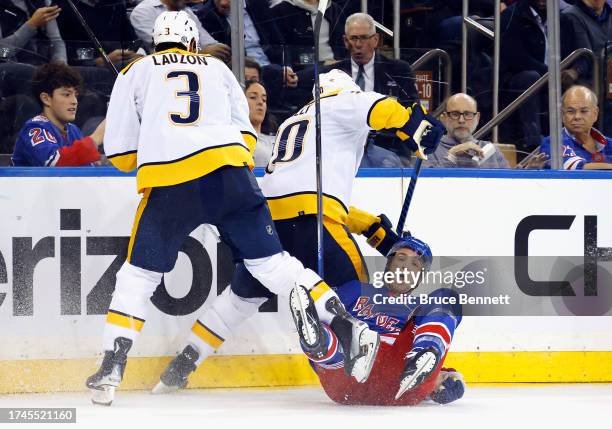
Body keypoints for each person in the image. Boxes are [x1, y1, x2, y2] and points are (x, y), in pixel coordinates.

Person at [86, 12, 380, 406]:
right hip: (232, 178)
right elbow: (245, 136)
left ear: (156, 41)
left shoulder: (135, 71)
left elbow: (120, 154)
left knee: (139, 275)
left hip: (172, 184)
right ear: (193, 43)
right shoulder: (217, 67)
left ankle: (112, 365)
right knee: (272, 265)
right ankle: (345, 324)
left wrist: (157, 139)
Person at [151, 69, 444, 393]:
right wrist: (416, 124)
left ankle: (181, 367)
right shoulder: (341, 103)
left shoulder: (294, 121)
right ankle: (367, 366)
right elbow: (382, 110)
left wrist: (374, 229)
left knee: (236, 302)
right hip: (314, 224)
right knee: (360, 296)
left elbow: (303, 192)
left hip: (268, 225)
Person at [294, 235, 465, 406]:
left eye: (414, 264)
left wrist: (440, 379)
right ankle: (322, 343)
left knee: (446, 298)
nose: (405, 268)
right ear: (389, 264)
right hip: (346, 372)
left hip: (400, 380)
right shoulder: (356, 289)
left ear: (419, 277)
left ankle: (423, 361)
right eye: (401, 259)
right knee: (327, 312)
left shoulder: (421, 308)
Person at [11, 62, 105, 166]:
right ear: (46, 98)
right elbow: (56, 164)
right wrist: (96, 138)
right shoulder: (34, 130)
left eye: (75, 95)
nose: (74, 101)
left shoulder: (73, 131)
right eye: (66, 94)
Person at [129, 0, 230, 61]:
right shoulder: (143, 11)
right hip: (164, 71)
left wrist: (220, 49)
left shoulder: (186, 11)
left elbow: (208, 43)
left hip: (201, 66)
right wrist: (201, 52)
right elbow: (162, 48)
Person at [540, 85, 612, 169]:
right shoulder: (552, 143)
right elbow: (575, 168)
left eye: (584, 111)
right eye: (571, 111)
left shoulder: (609, 144)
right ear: (562, 115)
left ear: (595, 114)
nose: (577, 117)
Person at [561, 0, 612, 85]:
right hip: (588, 84)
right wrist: (576, 70)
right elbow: (586, 57)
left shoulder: (609, 14)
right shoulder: (570, 16)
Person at [245, 80, 276, 166]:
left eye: (264, 99)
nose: (260, 102)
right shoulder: (235, 140)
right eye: (253, 97)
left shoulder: (276, 140)